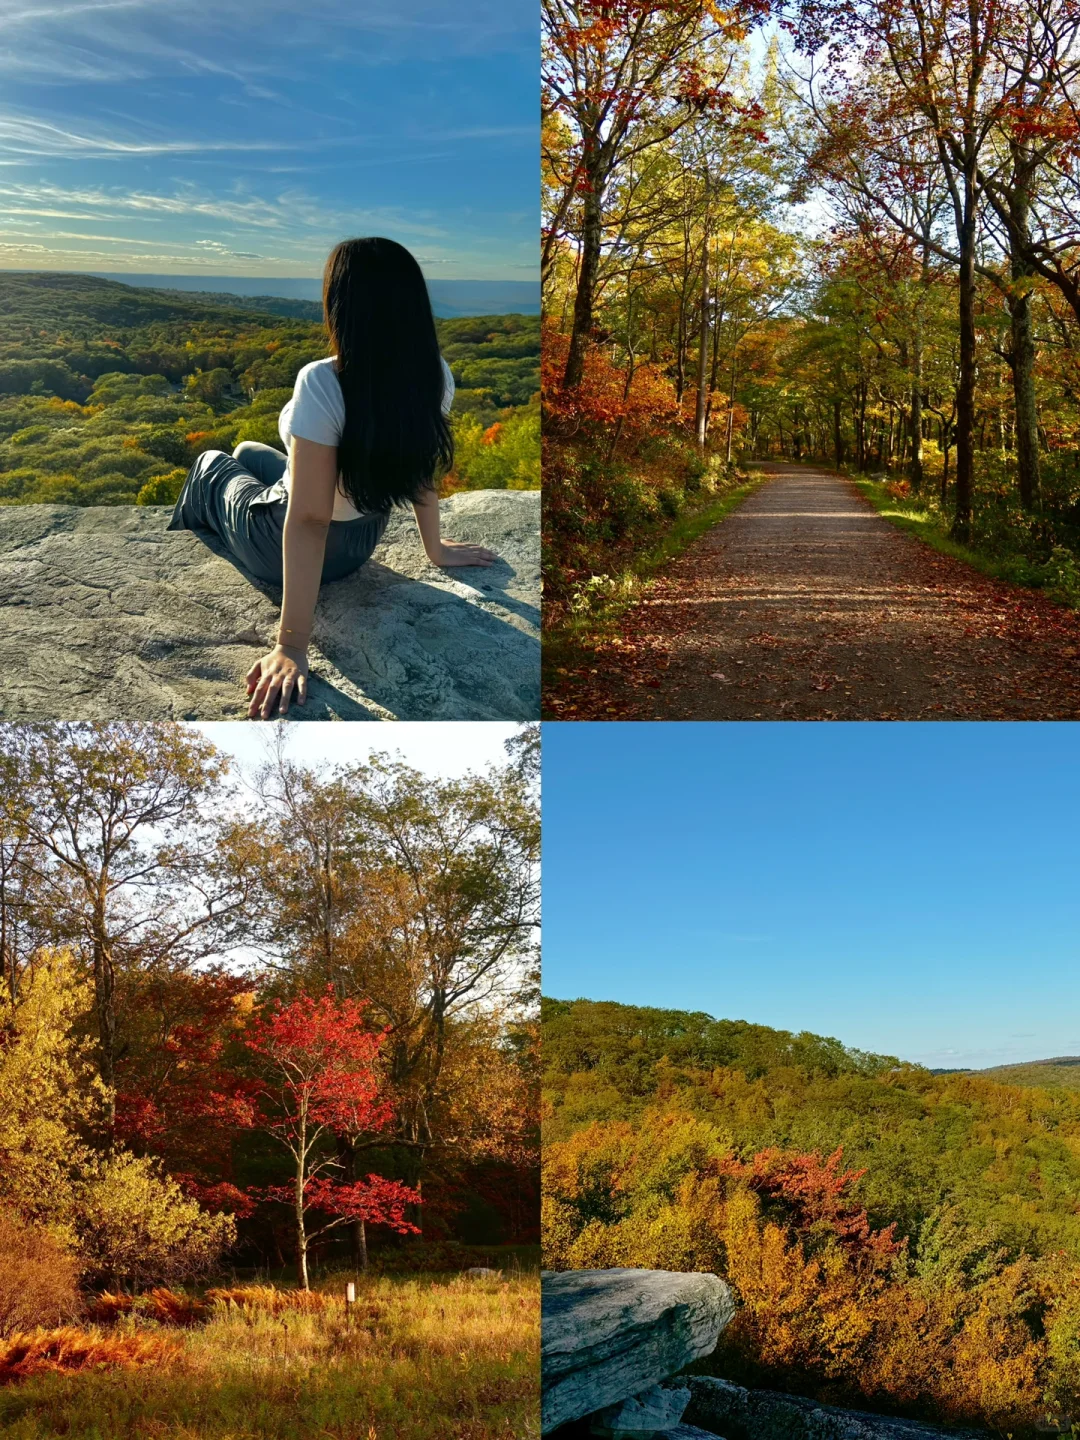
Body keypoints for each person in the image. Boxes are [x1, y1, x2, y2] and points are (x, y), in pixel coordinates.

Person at [168, 236, 496, 719]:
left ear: (342, 305)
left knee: (213, 458)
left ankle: (203, 526)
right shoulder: (434, 374)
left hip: (279, 547)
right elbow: (419, 466)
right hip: (362, 540)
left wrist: (293, 646)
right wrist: (436, 549)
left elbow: (308, 520)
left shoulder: (323, 380)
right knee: (248, 451)